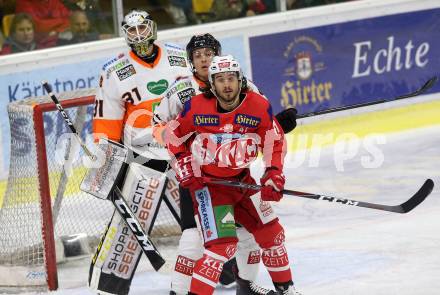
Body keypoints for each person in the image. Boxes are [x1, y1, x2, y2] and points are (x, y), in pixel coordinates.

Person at [154, 34, 298, 295]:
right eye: (220, 80)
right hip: (204, 183)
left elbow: (270, 136)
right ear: (211, 82)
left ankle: (270, 289)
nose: (227, 84)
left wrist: (273, 172)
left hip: (241, 180)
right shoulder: (189, 100)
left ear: (239, 79)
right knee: (210, 244)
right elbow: (167, 133)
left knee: (270, 235)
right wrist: (183, 162)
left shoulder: (255, 98)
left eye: (231, 78)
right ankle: (181, 290)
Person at [89, 9, 191, 295]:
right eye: (131, 31)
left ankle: (224, 270)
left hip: (182, 151)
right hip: (143, 157)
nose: (138, 35)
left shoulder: (178, 56)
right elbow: (106, 122)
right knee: (130, 226)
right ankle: (109, 286)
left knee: (199, 212)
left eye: (142, 28)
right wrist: (107, 168)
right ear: (125, 34)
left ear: (153, 27)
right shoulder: (113, 71)